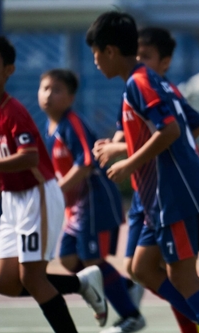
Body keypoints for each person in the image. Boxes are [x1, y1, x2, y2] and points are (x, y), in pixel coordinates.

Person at [86, 11, 199, 333]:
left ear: (110, 51)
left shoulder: (140, 82)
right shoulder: (143, 82)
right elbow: (190, 124)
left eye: (96, 54)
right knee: (141, 268)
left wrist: (128, 161)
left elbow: (169, 131)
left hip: (175, 192)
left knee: (182, 276)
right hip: (159, 195)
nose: (96, 62)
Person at [0, 36, 107, 333]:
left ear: (8, 70)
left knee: (33, 278)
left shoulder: (14, 112)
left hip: (38, 196)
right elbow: (4, 157)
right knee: (5, 283)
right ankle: (81, 283)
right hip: (11, 200)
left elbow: (28, 157)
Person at [38, 68, 146, 333]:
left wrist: (55, 192)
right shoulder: (50, 128)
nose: (49, 94)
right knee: (66, 257)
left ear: (71, 97)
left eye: (57, 89)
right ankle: (126, 287)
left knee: (91, 260)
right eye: (45, 88)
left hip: (95, 202)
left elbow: (86, 163)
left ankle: (131, 315)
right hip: (77, 208)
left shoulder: (71, 123)